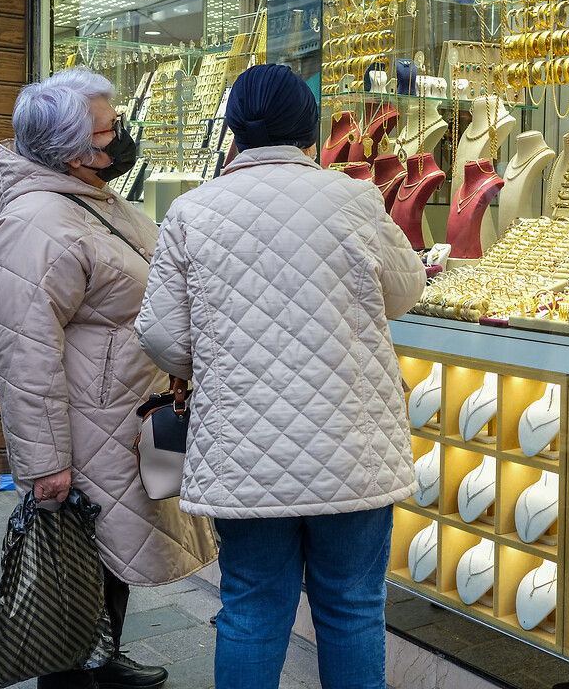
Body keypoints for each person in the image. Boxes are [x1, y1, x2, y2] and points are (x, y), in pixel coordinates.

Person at [135, 64, 425, 689]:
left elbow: (159, 333)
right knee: (351, 609)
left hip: (243, 450)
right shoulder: (353, 196)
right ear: (308, 128)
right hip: (351, 445)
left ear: (234, 130)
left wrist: (213, 357)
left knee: (250, 608)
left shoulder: (191, 211)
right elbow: (404, 292)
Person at [0, 67, 218, 689]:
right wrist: (45, 462)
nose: (123, 138)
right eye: (112, 129)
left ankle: (101, 658)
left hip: (118, 414)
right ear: (73, 150)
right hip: (84, 426)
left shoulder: (88, 202)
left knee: (107, 548)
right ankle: (71, 673)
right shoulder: (35, 223)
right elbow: (23, 355)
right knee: (78, 550)